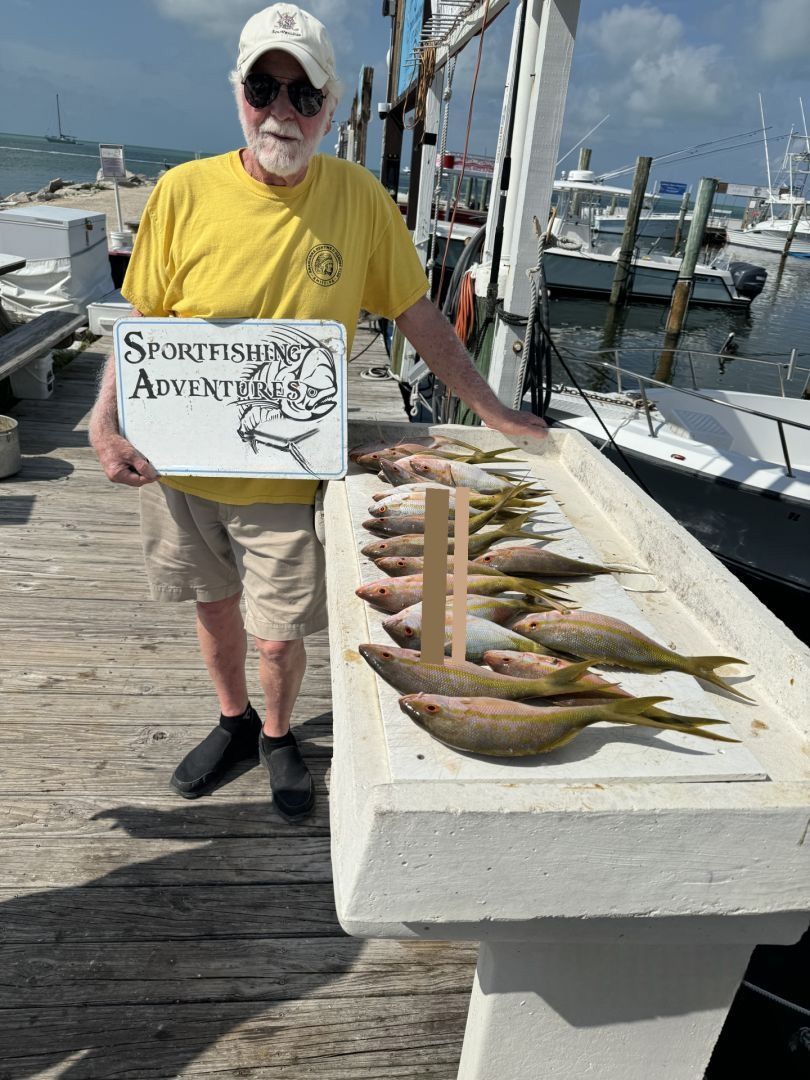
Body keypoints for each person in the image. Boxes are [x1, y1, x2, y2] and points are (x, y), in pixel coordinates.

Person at [89, 3, 548, 823]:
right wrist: (103, 420)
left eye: (305, 96)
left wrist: (496, 411)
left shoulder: (362, 200)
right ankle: (232, 722)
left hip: (282, 472)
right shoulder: (181, 192)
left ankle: (275, 733)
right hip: (178, 463)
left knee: (278, 631)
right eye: (266, 88)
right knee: (212, 604)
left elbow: (419, 316)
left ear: (332, 108)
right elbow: (144, 324)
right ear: (239, 92)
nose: (283, 112)